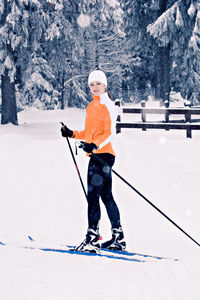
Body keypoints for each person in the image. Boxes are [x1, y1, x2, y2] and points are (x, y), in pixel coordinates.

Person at [61, 70, 126, 253]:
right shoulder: (91, 107)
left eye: (98, 83)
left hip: (102, 156)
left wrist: (94, 145)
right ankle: (118, 237)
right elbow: (90, 134)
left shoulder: (107, 105)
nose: (95, 87)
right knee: (106, 196)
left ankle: (92, 239)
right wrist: (72, 133)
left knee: (93, 197)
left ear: (105, 85)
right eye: (92, 84)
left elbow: (110, 131)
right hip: (99, 155)